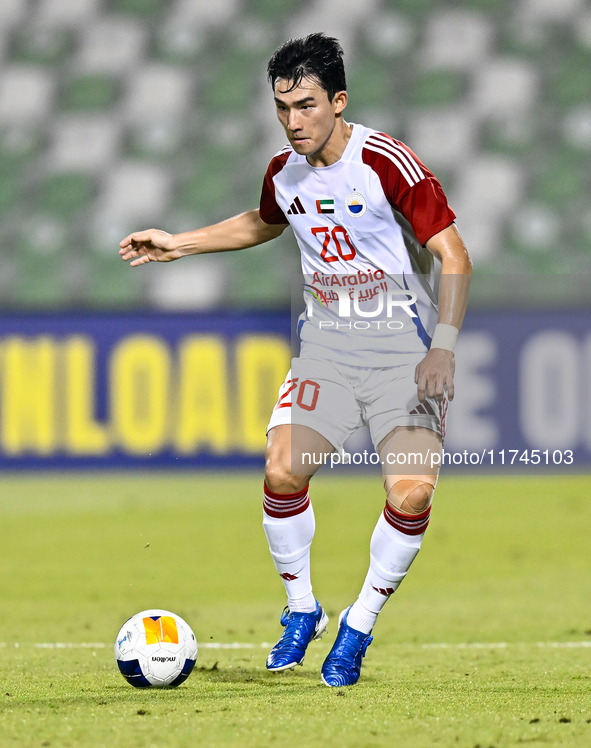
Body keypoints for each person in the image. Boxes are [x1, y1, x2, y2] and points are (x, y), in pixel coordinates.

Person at [119, 32, 472, 687]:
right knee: (282, 471)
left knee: (412, 490)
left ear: (338, 101)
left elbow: (453, 255)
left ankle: (358, 625)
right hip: (328, 350)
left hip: (403, 349)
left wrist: (443, 349)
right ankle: (302, 609)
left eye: (306, 105)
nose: (292, 121)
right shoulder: (284, 171)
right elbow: (265, 220)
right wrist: (182, 243)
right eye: (281, 107)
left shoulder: (387, 163)